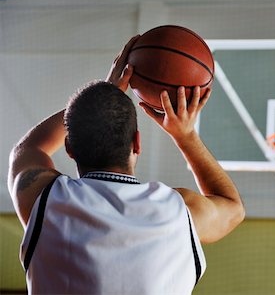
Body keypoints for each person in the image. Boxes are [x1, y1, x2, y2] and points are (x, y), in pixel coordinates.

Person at [8, 35, 245, 294]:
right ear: (137, 142)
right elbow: (232, 208)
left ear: (69, 147)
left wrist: (105, 92)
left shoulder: (44, 199)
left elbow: (29, 148)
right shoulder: (180, 213)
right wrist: (185, 135)